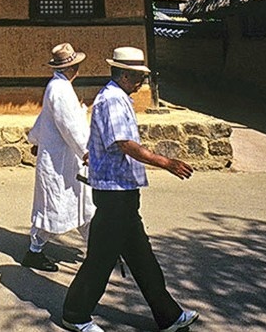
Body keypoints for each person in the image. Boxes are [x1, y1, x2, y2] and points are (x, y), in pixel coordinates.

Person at [60, 46, 198, 332]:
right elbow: (125, 143)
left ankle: (169, 316)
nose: (141, 83)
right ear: (123, 75)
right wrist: (165, 162)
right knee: (101, 259)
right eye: (137, 77)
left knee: (141, 257)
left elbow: (106, 141)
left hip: (122, 189)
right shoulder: (112, 100)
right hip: (114, 192)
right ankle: (75, 314)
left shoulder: (118, 97)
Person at [22, 42, 96, 273]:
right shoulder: (61, 90)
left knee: (85, 205)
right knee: (56, 207)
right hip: (60, 161)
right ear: (73, 69)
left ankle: (98, 251)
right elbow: (70, 126)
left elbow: (45, 119)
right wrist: (87, 152)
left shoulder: (56, 86)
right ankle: (34, 252)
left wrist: (36, 140)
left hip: (64, 158)